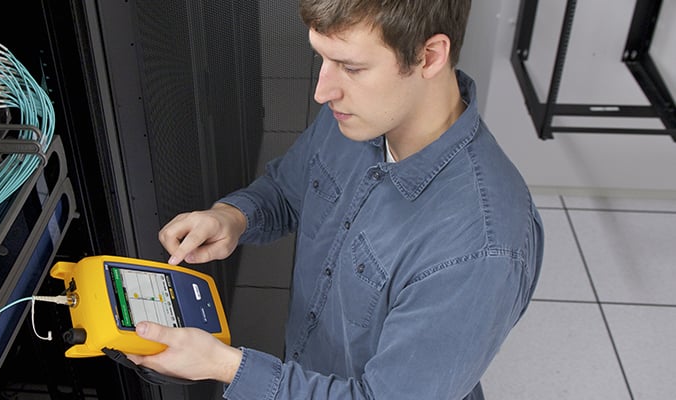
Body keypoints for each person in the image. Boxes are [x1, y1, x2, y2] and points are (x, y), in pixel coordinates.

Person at [125, 0, 544, 398]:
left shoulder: (481, 247)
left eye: (351, 67)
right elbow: (289, 190)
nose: (323, 92)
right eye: (322, 59)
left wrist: (226, 368)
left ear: (429, 56)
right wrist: (233, 217)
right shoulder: (361, 117)